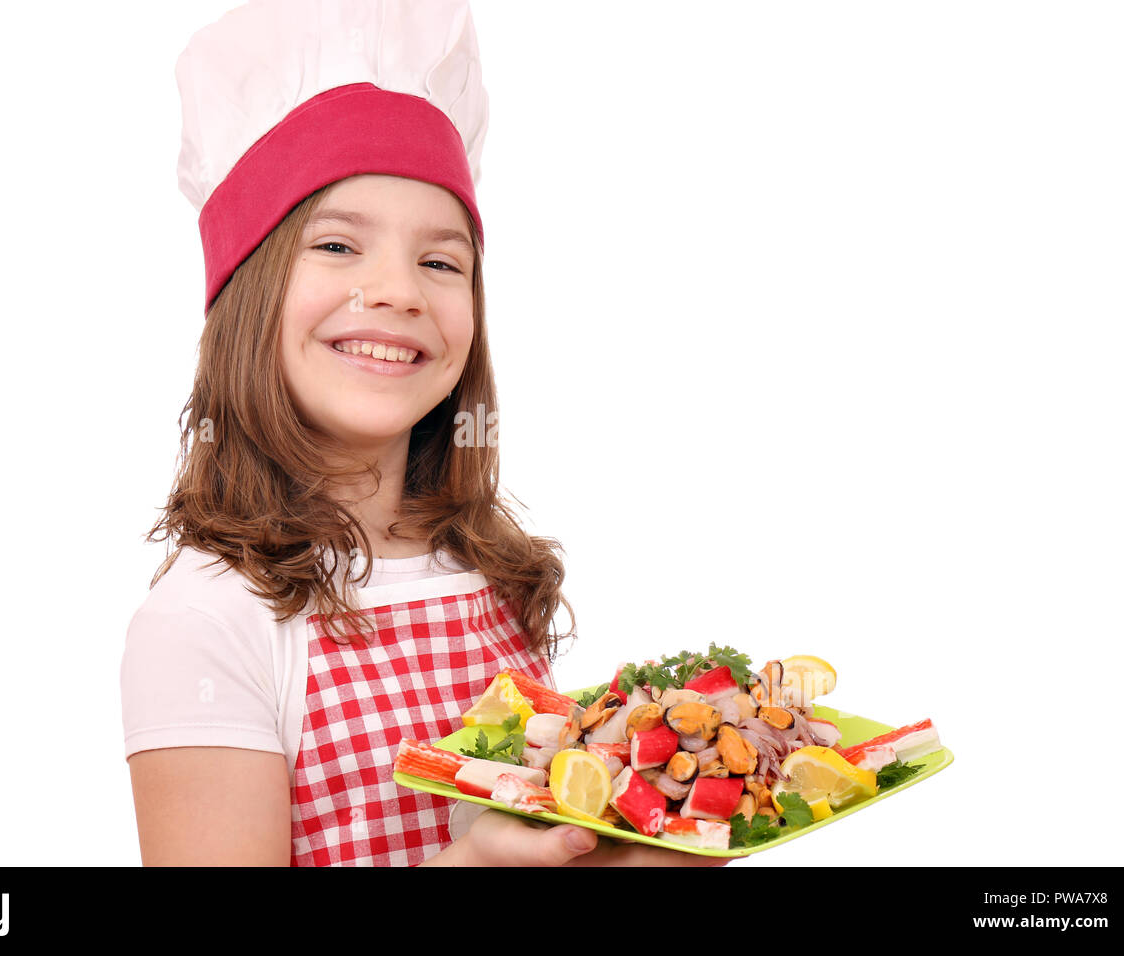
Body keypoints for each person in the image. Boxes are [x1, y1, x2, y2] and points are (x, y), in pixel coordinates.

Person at [121, 0, 725, 867]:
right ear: (246, 294)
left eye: (441, 261)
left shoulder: (488, 570)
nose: (398, 290)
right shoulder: (208, 620)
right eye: (337, 246)